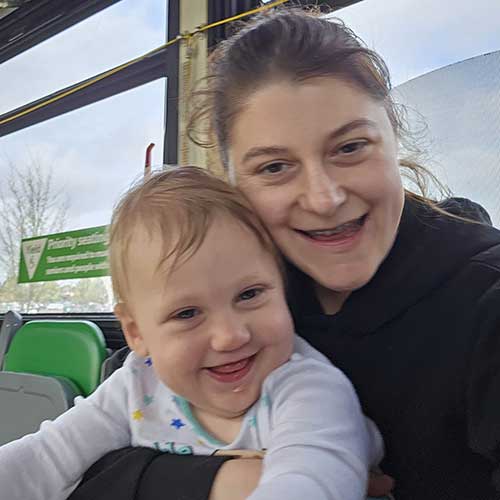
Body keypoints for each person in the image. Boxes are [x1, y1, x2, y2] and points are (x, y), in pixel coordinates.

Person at [70, 7, 500, 500]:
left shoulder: (485, 305)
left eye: (350, 147)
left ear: (394, 140)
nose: (323, 198)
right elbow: (86, 468)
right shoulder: (233, 295)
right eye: (275, 167)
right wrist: (228, 482)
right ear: (233, 182)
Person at [0, 167, 386, 500]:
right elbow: (46, 457)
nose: (229, 336)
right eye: (187, 313)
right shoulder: (138, 385)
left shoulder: (307, 388)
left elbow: (310, 478)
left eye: (250, 294)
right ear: (136, 332)